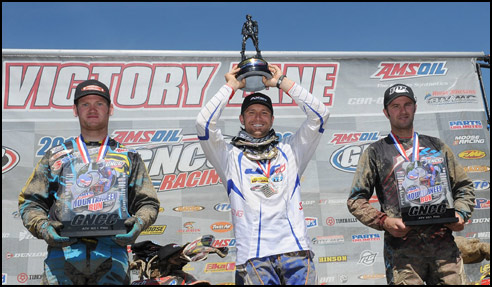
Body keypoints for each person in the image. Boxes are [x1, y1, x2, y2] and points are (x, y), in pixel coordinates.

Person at [196, 64, 330, 285]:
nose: (258, 117)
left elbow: (320, 116)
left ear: (272, 119)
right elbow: (203, 124)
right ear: (242, 119)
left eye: (264, 112)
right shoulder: (229, 157)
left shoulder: (290, 150)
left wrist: (282, 82)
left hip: (296, 252)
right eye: (251, 112)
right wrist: (231, 86)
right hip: (254, 257)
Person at [18, 79, 160, 285]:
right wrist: (43, 227)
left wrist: (139, 222)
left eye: (99, 103)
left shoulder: (129, 156)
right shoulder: (55, 156)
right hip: (62, 258)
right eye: (85, 104)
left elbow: (148, 203)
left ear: (110, 109)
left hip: (113, 258)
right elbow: (30, 202)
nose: (92, 109)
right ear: (75, 110)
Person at [347, 83, 475, 285]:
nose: (402, 110)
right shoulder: (376, 152)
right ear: (386, 112)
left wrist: (461, 213)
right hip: (401, 252)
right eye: (395, 106)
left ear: (415, 107)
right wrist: (384, 221)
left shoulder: (437, 146)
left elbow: (464, 186)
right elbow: (356, 200)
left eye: (407, 104)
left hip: (443, 248)